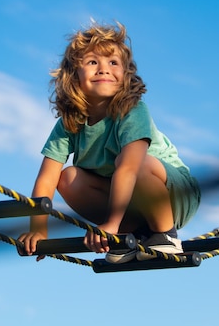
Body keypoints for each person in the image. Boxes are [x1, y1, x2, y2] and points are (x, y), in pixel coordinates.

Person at [18, 21, 200, 263]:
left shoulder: (132, 111)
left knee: (139, 164)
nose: (103, 69)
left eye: (113, 63)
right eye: (93, 62)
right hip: (125, 197)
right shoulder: (70, 122)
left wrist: (110, 223)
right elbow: (47, 178)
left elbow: (128, 168)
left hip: (172, 194)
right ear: (74, 75)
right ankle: (129, 234)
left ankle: (165, 234)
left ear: (125, 74)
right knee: (68, 178)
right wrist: (39, 228)